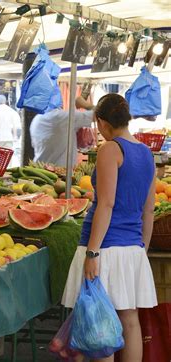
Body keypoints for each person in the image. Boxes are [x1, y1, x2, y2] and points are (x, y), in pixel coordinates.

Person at [62, 94, 157, 362]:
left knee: (99, 322)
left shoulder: (110, 149)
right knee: (130, 320)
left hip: (104, 246)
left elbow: (106, 203)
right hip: (133, 247)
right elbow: (148, 209)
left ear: (102, 123)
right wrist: (142, 250)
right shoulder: (147, 154)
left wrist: (92, 253)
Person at [30, 96, 94, 167]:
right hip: (60, 173)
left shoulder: (36, 119)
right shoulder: (61, 117)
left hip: (39, 169)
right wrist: (85, 105)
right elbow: (98, 114)